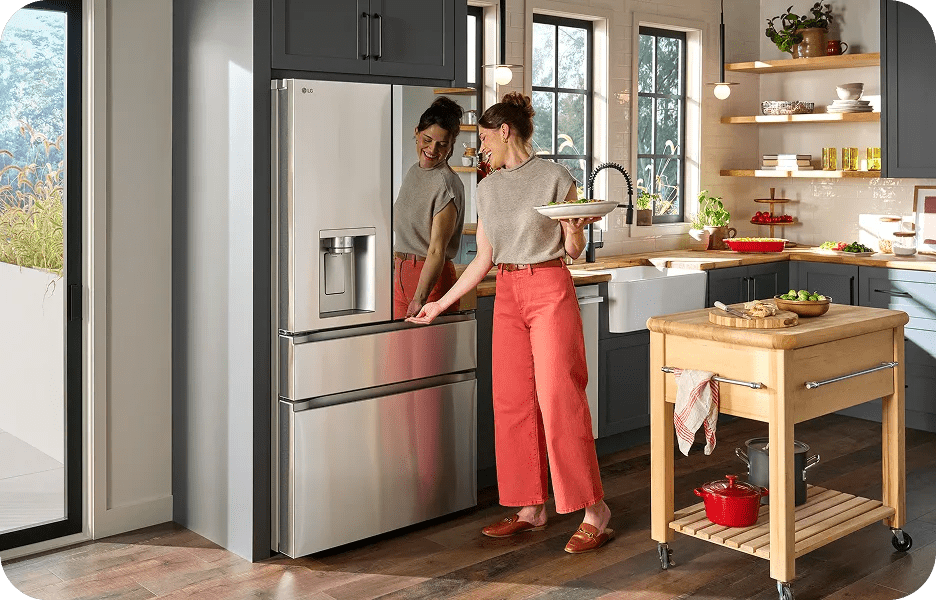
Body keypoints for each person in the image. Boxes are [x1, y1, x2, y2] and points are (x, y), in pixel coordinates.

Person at [407, 92, 613, 553]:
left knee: (560, 397)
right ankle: (530, 507)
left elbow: (573, 250)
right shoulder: (487, 187)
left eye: (483, 138)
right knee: (512, 402)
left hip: (549, 287)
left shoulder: (557, 177)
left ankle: (594, 510)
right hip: (507, 294)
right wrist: (440, 303)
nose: (479, 148)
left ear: (506, 131)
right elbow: (483, 258)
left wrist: (576, 230)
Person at [393, 96, 466, 319]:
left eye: (442, 144)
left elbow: (436, 250)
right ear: (417, 132)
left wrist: (420, 298)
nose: (432, 149)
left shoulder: (446, 184)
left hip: (430, 282)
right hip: (401, 277)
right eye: (427, 139)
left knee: (430, 354)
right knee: (399, 353)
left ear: (451, 146)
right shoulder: (413, 172)